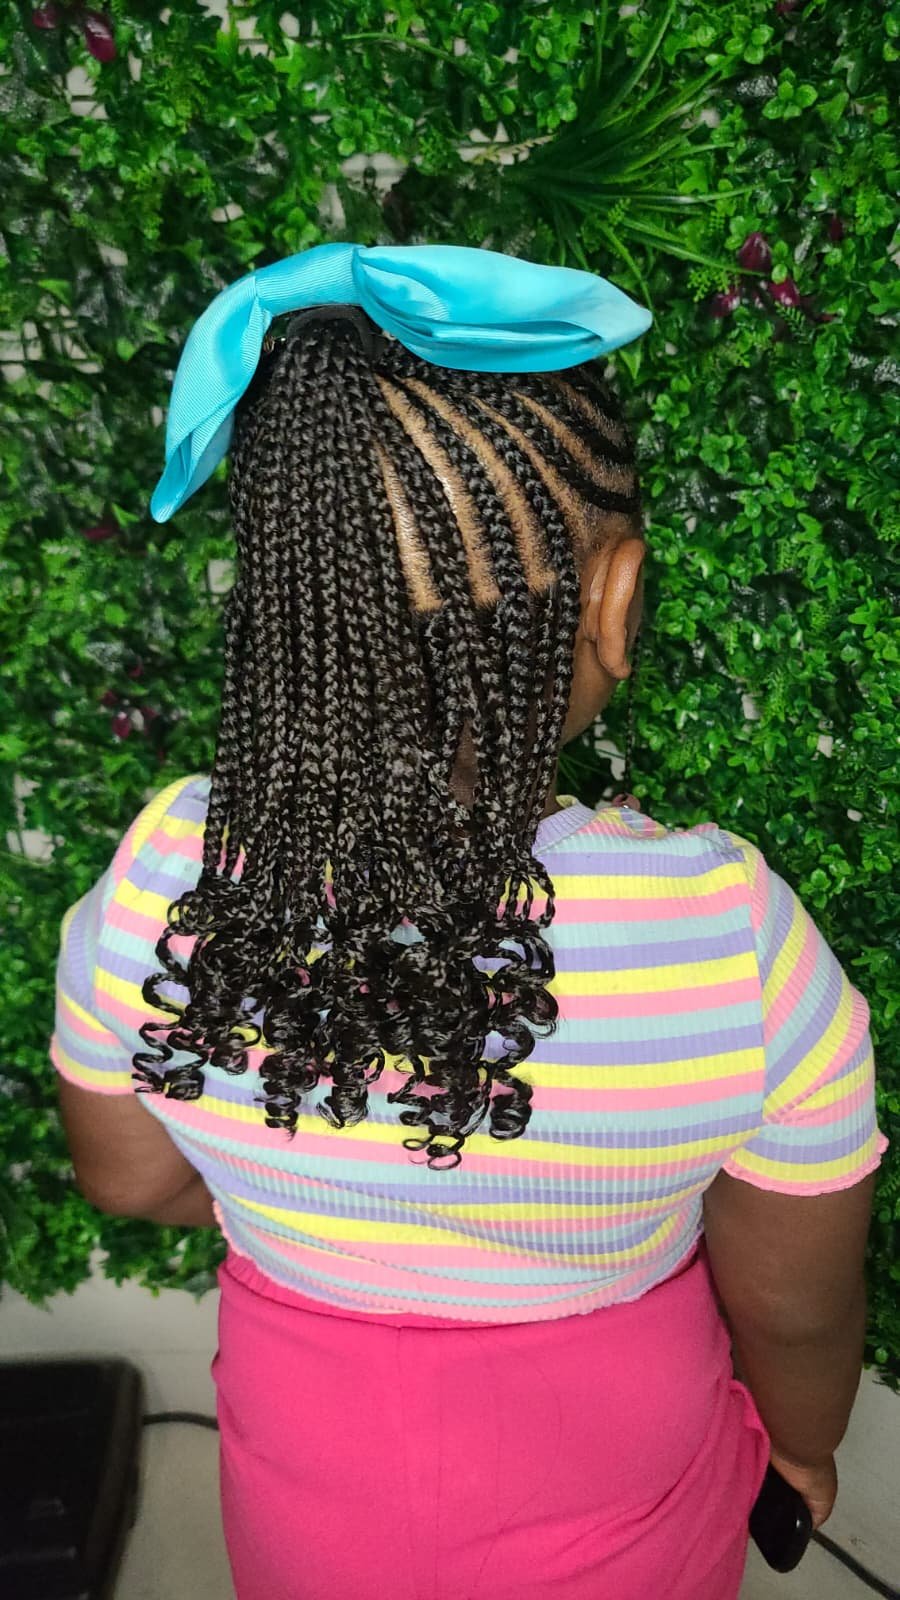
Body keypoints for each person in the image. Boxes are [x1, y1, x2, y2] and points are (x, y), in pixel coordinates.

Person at [51, 245, 887, 1600]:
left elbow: (132, 1178)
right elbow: (793, 1302)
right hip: (622, 1476)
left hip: (315, 1478)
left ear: (284, 606)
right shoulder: (732, 939)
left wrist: (312, 1189)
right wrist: (802, 1446)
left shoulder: (165, 874)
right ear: (616, 604)